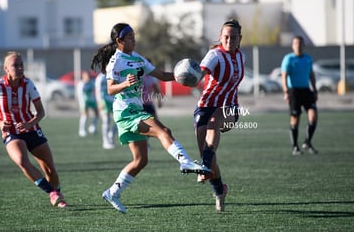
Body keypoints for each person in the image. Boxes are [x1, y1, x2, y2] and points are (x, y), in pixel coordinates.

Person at [91, 22, 211, 214]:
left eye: (134, 36)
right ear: (119, 41)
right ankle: (185, 161)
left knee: (140, 160)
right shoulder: (115, 61)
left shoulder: (137, 58)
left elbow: (162, 75)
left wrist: (182, 77)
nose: (133, 40)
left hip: (134, 110)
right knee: (164, 131)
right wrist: (124, 84)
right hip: (126, 112)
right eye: (129, 38)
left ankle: (112, 192)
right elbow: (110, 89)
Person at [0, 51, 67, 208]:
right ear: (6, 68)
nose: (20, 68)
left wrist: (29, 123)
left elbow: (41, 112)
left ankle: (58, 193)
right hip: (11, 133)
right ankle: (52, 193)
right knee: (22, 161)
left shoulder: (28, 84)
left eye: (21, 65)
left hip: (32, 130)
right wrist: (0, 123)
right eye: (15, 65)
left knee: (50, 169)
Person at [194, 19, 245, 212]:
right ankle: (219, 190)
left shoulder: (241, 56)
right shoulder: (214, 55)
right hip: (204, 107)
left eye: (233, 37)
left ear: (240, 39)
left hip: (229, 107)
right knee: (209, 154)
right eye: (226, 37)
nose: (229, 40)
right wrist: (192, 76)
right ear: (220, 37)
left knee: (214, 122)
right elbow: (202, 71)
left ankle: (203, 166)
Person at [281, 35, 318, 155]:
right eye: (296, 43)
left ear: (304, 45)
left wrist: (315, 90)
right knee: (295, 120)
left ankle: (307, 142)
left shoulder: (308, 58)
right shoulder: (288, 59)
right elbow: (284, 75)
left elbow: (311, 74)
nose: (299, 45)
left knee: (313, 116)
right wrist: (286, 92)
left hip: (306, 90)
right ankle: (295, 147)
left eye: (301, 43)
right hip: (294, 92)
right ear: (293, 45)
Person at [94, 72, 117, 149]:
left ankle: (111, 135)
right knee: (106, 120)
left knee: (118, 120)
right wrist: (99, 101)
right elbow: (98, 91)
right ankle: (105, 141)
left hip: (113, 100)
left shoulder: (113, 75)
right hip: (104, 102)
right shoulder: (100, 78)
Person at [76, 70, 99, 137]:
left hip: (91, 100)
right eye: (86, 76)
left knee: (97, 113)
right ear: (83, 76)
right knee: (85, 114)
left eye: (88, 76)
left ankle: (93, 127)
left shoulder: (92, 82)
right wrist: (82, 104)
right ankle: (82, 130)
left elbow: (96, 89)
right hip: (84, 101)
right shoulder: (81, 84)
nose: (88, 77)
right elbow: (79, 95)